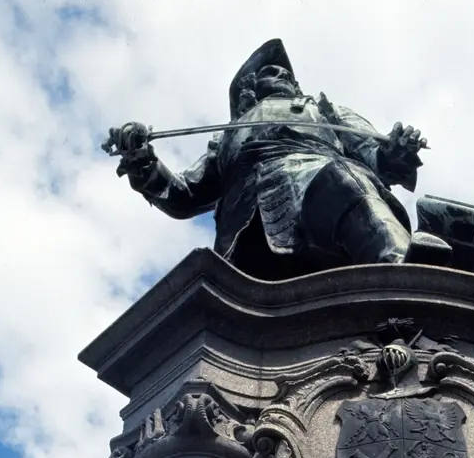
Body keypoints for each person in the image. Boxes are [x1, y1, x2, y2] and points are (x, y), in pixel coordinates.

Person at [109, 37, 453, 279]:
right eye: (272, 72)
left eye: (287, 72)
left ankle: (402, 273)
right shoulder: (226, 137)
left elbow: (375, 154)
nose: (285, 74)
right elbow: (184, 195)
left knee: (344, 180)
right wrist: (142, 160)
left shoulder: (324, 110)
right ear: (249, 88)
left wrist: (398, 151)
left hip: (322, 189)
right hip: (247, 225)